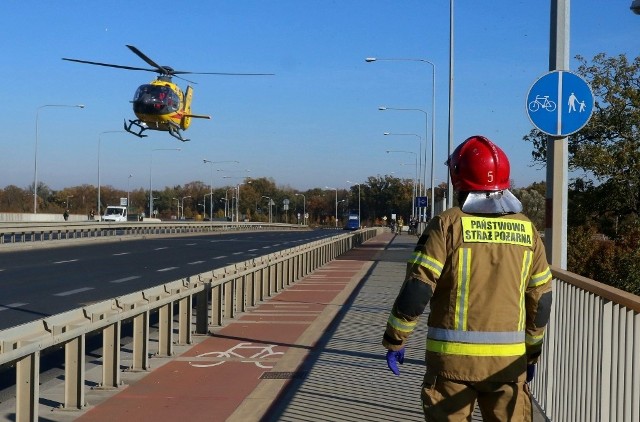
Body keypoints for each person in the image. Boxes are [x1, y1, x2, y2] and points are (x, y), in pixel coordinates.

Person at [382, 135, 553, 421]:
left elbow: (418, 288)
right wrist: (532, 352)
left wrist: (395, 340)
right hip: (508, 366)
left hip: (452, 364)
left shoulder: (448, 224)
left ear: (457, 177)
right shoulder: (527, 230)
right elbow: (541, 299)